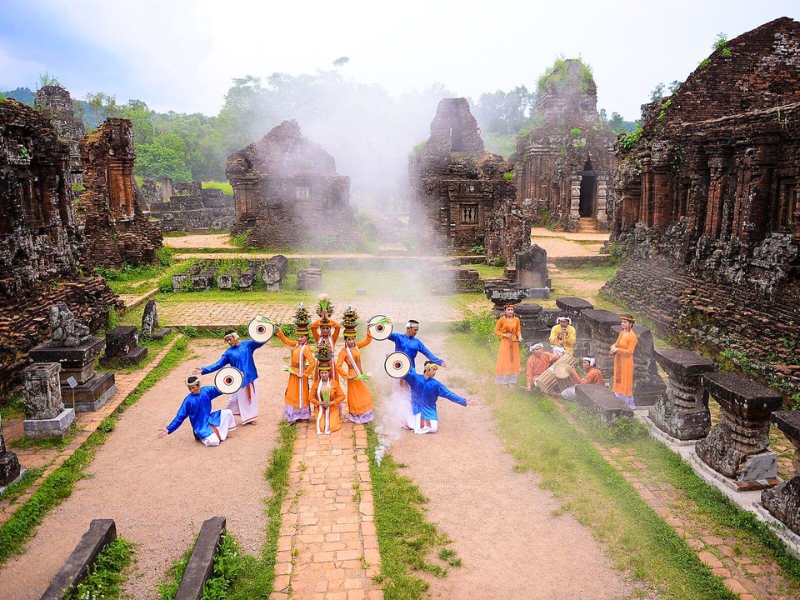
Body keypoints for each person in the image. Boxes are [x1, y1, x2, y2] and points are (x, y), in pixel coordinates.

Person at [193, 329, 264, 425]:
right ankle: (226, 415)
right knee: (234, 399)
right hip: (239, 380)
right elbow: (219, 364)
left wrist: (265, 331)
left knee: (251, 398)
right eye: (227, 341)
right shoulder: (229, 353)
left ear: (235, 337)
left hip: (251, 376)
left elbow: (260, 341)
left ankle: (250, 418)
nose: (229, 342)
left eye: (230, 339)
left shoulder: (247, 345)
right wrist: (204, 369)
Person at [157, 376, 237, 446]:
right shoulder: (188, 401)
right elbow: (180, 417)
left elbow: (221, 389)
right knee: (214, 442)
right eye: (189, 388)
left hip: (210, 418)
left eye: (193, 387)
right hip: (200, 426)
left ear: (198, 385)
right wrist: (169, 429)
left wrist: (235, 379)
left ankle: (221, 433)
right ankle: (200, 436)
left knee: (228, 412)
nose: (191, 390)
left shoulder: (207, 391)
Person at [401, 361, 469, 434]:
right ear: (427, 369)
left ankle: (417, 426)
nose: (434, 372)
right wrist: (392, 360)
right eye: (433, 370)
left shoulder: (436, 384)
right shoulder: (415, 378)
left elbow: (448, 394)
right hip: (415, 407)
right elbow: (401, 371)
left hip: (429, 409)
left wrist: (464, 401)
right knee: (403, 404)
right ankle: (416, 424)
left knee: (433, 428)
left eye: (435, 370)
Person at [276, 304, 317, 423]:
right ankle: (293, 415)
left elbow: (312, 362)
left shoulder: (306, 348)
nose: (299, 338)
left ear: (307, 337)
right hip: (293, 373)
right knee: (292, 392)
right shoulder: (297, 345)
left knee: (301, 393)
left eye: (302, 337)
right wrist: (279, 330)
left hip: (300, 374)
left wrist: (304, 374)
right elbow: (285, 340)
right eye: (298, 336)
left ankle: (303, 416)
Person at [336, 307, 374, 423]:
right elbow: (338, 365)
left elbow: (368, 341)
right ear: (345, 340)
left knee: (365, 393)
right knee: (355, 395)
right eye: (349, 340)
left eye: (353, 339)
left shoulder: (357, 346)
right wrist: (347, 376)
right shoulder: (343, 352)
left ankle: (365, 414)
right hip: (353, 376)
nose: (351, 341)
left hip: (360, 372)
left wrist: (368, 329)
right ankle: (356, 414)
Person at [310, 341, 346, 434]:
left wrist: (332, 402)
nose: (324, 375)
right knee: (321, 427)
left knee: (332, 426)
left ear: (329, 373)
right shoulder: (316, 384)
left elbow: (342, 396)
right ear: (319, 374)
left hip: (332, 408)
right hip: (320, 407)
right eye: (322, 373)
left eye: (326, 373)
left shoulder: (334, 383)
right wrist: (319, 403)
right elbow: (310, 397)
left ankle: (334, 418)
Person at [610, 314, 638, 409]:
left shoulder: (632, 336)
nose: (622, 324)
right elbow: (617, 343)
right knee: (618, 379)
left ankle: (628, 403)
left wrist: (618, 350)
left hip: (626, 362)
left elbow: (630, 351)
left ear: (630, 324)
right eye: (622, 322)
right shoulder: (622, 332)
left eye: (625, 322)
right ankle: (618, 399)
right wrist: (614, 346)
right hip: (619, 360)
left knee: (625, 381)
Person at [494, 304, 522, 387]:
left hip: (513, 341)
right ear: (505, 311)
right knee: (505, 360)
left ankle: (512, 381)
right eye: (508, 310)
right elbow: (496, 331)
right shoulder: (502, 320)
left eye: (511, 310)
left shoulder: (516, 319)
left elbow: (518, 330)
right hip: (505, 341)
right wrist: (505, 335)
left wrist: (519, 337)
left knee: (513, 360)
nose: (510, 311)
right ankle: (504, 382)